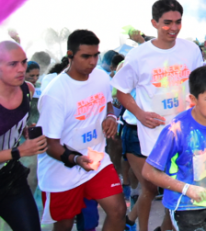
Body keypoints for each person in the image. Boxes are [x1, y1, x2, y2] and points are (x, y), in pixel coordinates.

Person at [112, 0, 206, 231]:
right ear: (154, 23)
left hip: (186, 134)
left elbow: (200, 85)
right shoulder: (139, 55)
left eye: (178, 22)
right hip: (154, 137)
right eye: (167, 23)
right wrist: (140, 114)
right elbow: (121, 92)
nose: (173, 28)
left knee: (181, 192)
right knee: (160, 190)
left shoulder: (190, 49)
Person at [37, 30, 127, 231]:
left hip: (96, 158)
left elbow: (107, 105)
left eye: (96, 55)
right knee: (65, 225)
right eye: (86, 56)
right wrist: (76, 159)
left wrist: (111, 118)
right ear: (70, 55)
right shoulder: (54, 93)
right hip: (61, 169)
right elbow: (49, 145)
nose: (93, 61)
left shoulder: (101, 78)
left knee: (119, 211)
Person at [142, 66, 206, 231]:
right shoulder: (176, 129)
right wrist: (187, 189)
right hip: (183, 205)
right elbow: (149, 171)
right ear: (193, 99)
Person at [0, 41, 48, 231]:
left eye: (24, 62)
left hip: (9, 177)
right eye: (13, 64)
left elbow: (12, 121)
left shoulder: (27, 89)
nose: (21, 69)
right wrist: (18, 151)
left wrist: (24, 129)